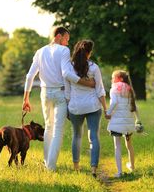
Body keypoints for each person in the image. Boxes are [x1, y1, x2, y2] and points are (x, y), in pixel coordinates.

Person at [22, 26, 95, 171]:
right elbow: (67, 73)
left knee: (48, 128)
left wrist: (26, 99)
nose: (68, 43)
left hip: (44, 93)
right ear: (59, 36)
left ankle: (47, 163)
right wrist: (86, 83)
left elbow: (30, 76)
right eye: (66, 39)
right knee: (57, 131)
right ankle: (50, 167)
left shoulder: (40, 51)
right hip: (59, 94)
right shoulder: (63, 51)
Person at [65, 40, 107, 178]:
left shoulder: (70, 67)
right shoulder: (94, 68)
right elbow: (100, 90)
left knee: (76, 136)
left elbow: (67, 91)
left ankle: (76, 167)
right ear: (90, 52)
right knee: (93, 136)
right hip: (93, 106)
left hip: (75, 107)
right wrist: (106, 108)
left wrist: (67, 107)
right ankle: (94, 169)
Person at [105, 70, 143, 178]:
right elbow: (134, 106)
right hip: (128, 123)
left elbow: (114, 102)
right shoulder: (129, 89)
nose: (112, 80)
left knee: (117, 146)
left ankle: (119, 172)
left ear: (120, 79)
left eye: (114, 77)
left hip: (117, 123)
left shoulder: (114, 88)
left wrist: (108, 113)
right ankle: (132, 167)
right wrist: (138, 119)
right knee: (129, 145)